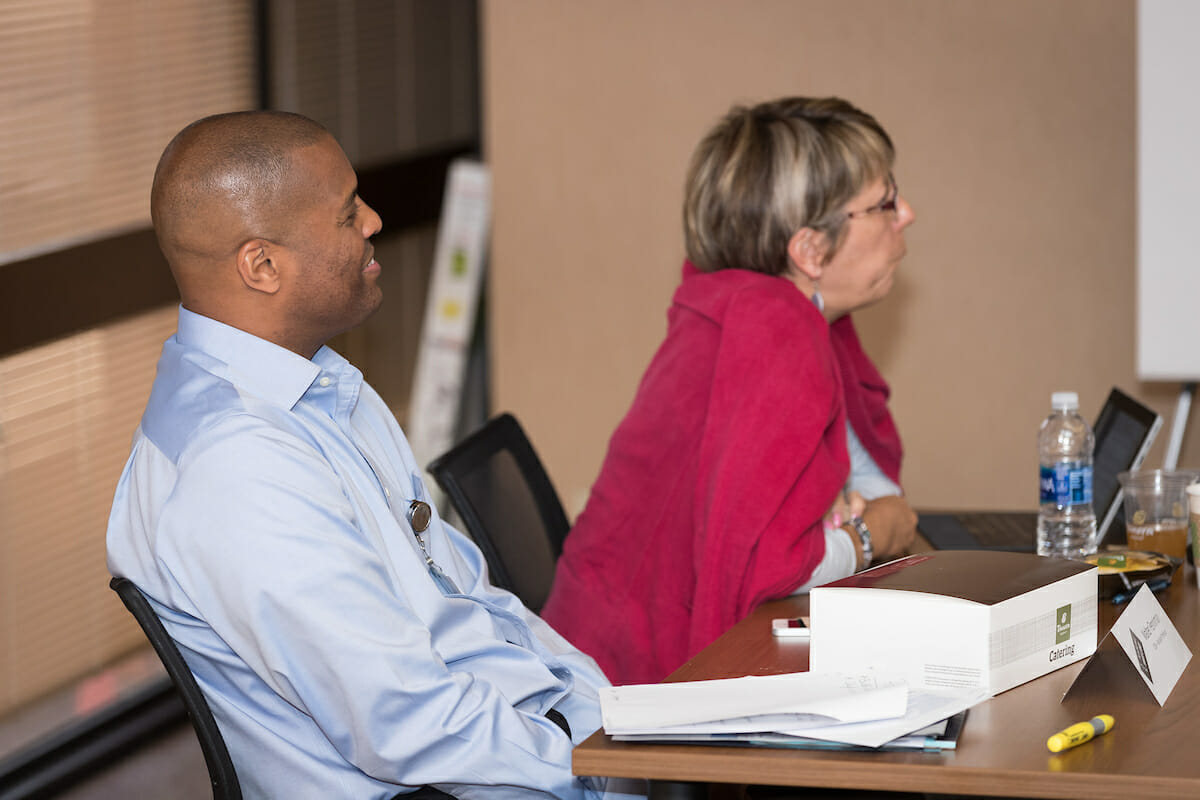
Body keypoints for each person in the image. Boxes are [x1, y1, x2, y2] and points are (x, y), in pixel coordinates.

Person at [106, 111, 642, 799]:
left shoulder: (324, 387)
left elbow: (472, 601)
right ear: (262, 265)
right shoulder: (234, 470)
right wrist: (589, 768)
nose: (374, 221)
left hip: (518, 743)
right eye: (346, 212)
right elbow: (405, 721)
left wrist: (604, 714)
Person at [541, 97, 919, 686]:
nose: (907, 215)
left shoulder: (766, 308)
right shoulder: (775, 331)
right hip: (624, 693)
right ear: (810, 251)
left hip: (594, 648)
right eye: (885, 202)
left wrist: (877, 516)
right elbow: (758, 572)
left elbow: (868, 479)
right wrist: (871, 537)